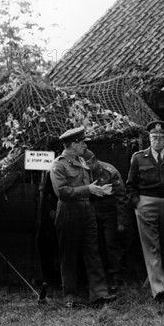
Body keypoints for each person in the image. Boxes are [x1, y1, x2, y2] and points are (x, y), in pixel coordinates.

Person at [49, 127, 116, 308]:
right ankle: (70, 298)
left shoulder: (82, 161)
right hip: (68, 213)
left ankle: (99, 294)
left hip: (87, 210)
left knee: (92, 253)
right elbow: (62, 192)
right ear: (73, 144)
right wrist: (88, 190)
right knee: (69, 255)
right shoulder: (58, 165)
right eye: (82, 142)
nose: (85, 145)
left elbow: (87, 187)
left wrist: (98, 191)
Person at [126, 120, 164, 303]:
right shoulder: (138, 157)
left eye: (161, 138)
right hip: (147, 203)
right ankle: (159, 290)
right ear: (149, 138)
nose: (157, 141)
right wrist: (138, 203)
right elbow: (130, 185)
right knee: (151, 246)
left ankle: (157, 281)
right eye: (154, 137)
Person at [82, 149, 128, 293]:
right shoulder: (81, 171)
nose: (88, 167)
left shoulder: (109, 171)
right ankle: (97, 279)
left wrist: (121, 221)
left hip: (110, 213)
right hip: (91, 212)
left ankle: (116, 277)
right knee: (94, 245)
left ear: (94, 160)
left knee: (111, 244)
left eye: (89, 164)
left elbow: (121, 196)